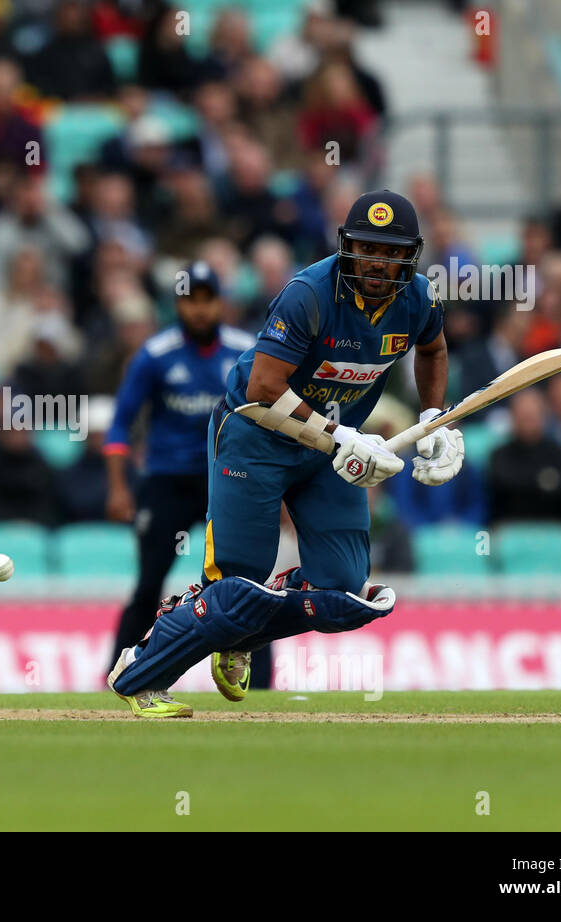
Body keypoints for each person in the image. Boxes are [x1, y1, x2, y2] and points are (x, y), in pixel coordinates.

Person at [109, 190, 461, 717]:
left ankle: (244, 632)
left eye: (388, 252)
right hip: (257, 436)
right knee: (236, 586)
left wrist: (433, 417)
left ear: (408, 255)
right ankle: (139, 672)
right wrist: (340, 436)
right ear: (346, 247)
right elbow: (263, 386)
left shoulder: (418, 298)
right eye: (365, 248)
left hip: (330, 449)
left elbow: (432, 348)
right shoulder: (310, 294)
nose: (375, 262)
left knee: (345, 594)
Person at [103, 260, 257, 672]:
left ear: (220, 303)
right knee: (149, 583)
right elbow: (119, 426)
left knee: (244, 585)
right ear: (177, 305)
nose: (200, 310)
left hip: (224, 483)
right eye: (192, 301)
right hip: (167, 482)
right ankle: (118, 673)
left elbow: (268, 418)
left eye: (208, 300)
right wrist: (118, 487)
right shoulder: (154, 356)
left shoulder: (245, 350)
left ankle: (258, 684)